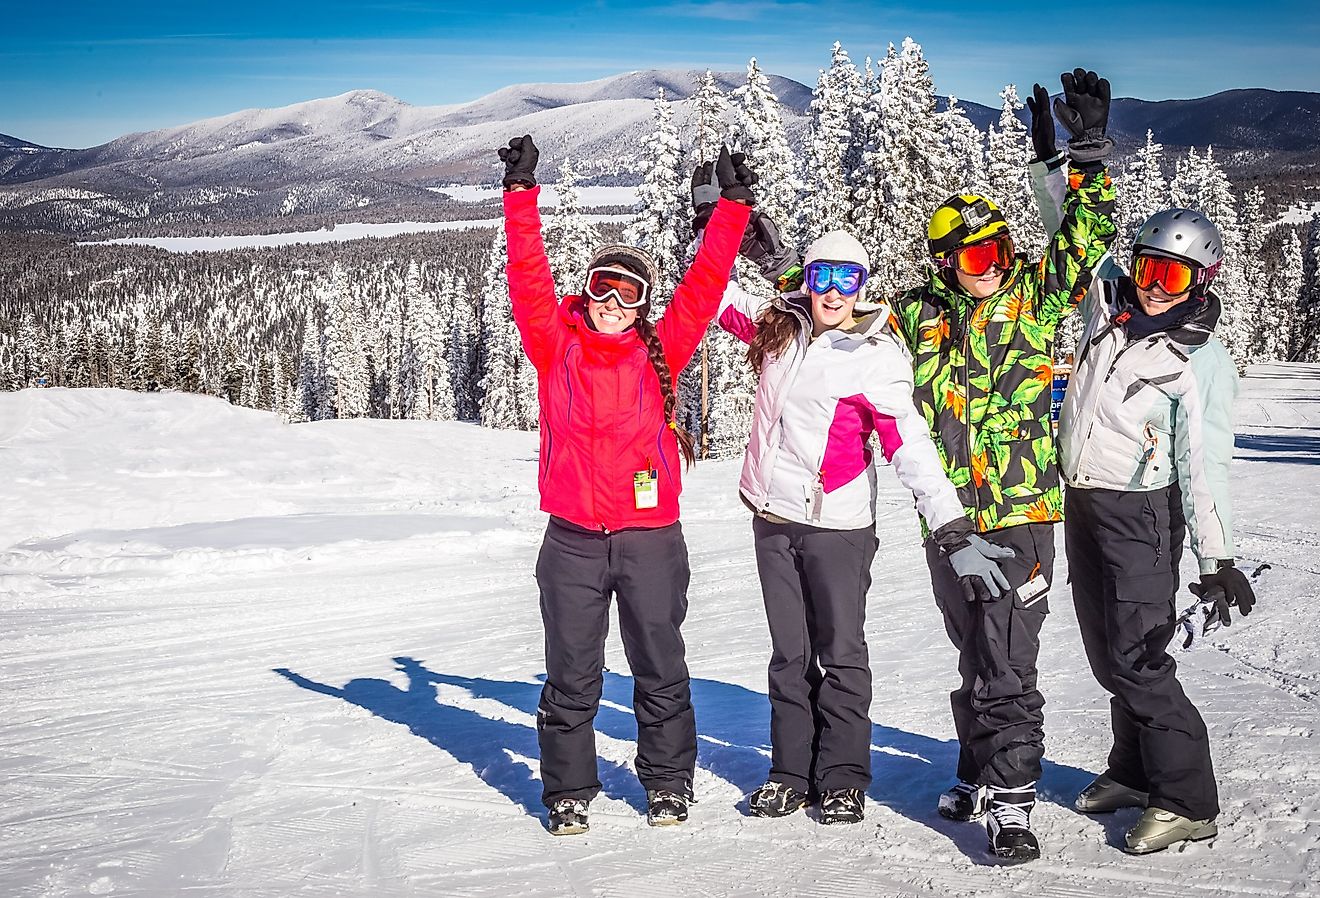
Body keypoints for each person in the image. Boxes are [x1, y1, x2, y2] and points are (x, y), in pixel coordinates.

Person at [738, 68, 1118, 861]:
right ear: (946, 260)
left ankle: (1013, 805)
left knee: (1009, 656)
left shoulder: (1036, 297)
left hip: (1019, 514)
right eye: (972, 251)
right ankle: (979, 768)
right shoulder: (915, 315)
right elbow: (832, 308)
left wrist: (1084, 160)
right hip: (947, 521)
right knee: (974, 652)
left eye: (999, 246)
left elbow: (1085, 241)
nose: (989, 261)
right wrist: (772, 254)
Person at [708, 225, 1013, 826]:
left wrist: (948, 523)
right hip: (772, 519)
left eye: (847, 278)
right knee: (788, 654)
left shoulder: (875, 356)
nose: (833, 291)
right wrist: (716, 227)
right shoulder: (779, 331)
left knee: (841, 652)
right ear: (808, 278)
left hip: (839, 527)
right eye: (822, 275)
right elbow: (711, 300)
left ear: (862, 285)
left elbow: (911, 444)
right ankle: (790, 773)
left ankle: (843, 776)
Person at [499, 134, 755, 835]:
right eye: (602, 287)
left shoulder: (661, 348)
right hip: (575, 541)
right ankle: (568, 791)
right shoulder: (557, 345)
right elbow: (526, 276)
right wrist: (521, 195)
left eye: (629, 291)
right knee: (573, 676)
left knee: (660, 668)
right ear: (587, 293)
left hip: (649, 541)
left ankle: (668, 783)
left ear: (644, 304)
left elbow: (704, 287)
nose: (613, 302)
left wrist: (732, 210)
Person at [1030, 107, 1257, 855]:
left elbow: (1206, 464)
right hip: (1085, 503)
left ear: (1199, 283)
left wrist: (1216, 559)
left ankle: (1188, 798)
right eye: (1146, 268)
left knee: (1139, 657)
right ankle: (1131, 770)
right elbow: (1070, 230)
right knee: (1104, 653)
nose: (1154, 288)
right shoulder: (1109, 305)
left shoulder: (1200, 363)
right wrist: (1054, 164)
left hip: (1142, 517)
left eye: (1173, 277)